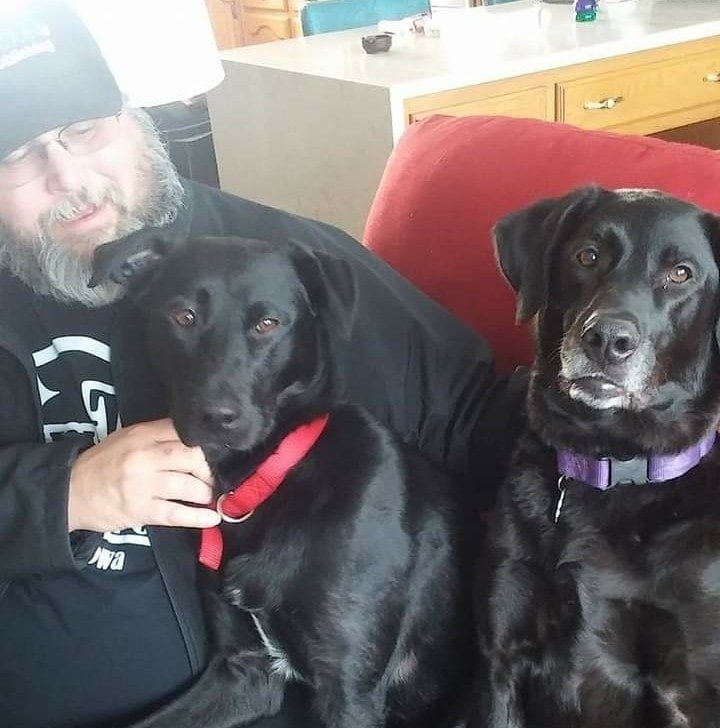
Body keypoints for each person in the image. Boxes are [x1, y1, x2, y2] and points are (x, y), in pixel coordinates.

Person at [0, 2, 526, 727]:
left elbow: (478, 418)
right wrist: (63, 493)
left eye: (83, 130)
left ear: (135, 115)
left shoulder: (289, 264)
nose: (66, 176)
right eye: (18, 154)